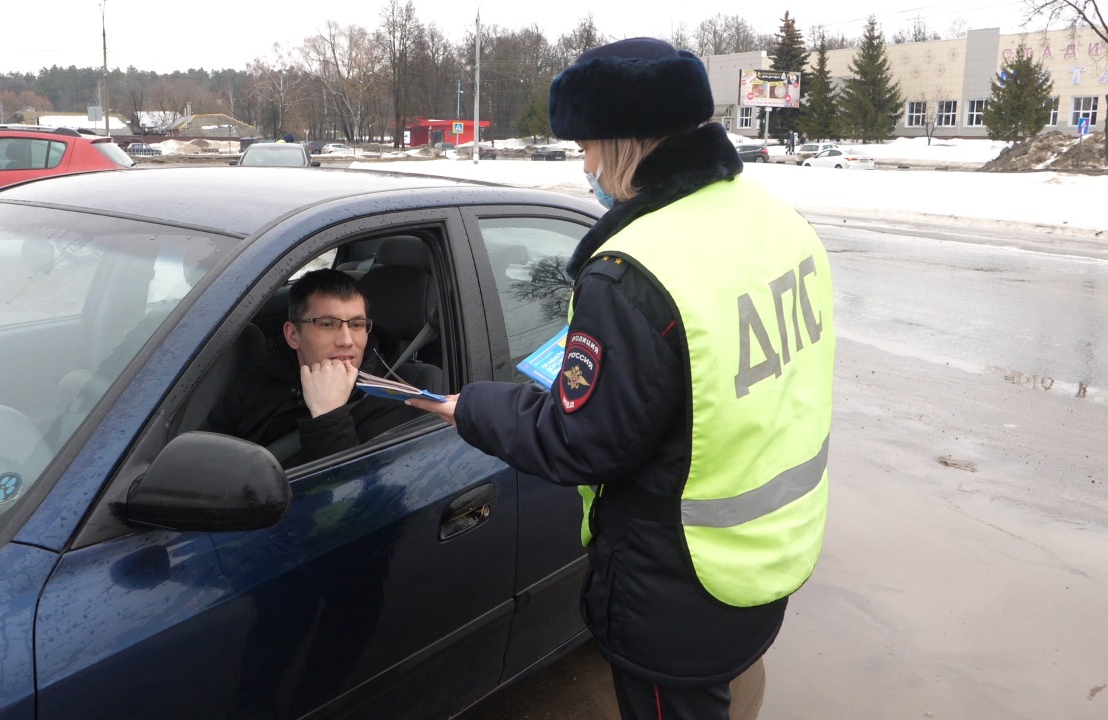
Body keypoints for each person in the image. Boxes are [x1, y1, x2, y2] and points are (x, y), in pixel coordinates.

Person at [408, 38, 835, 720]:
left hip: (678, 584)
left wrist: (473, 407)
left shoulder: (632, 271)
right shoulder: (773, 221)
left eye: (586, 147)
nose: (584, 166)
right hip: (769, 553)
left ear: (622, 144)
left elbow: (582, 444)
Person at [206, 268, 422, 467]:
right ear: (293, 335)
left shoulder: (391, 401)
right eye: (327, 324)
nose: (346, 340)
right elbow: (206, 460)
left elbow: (351, 497)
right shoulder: (253, 387)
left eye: (356, 325)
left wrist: (329, 415)